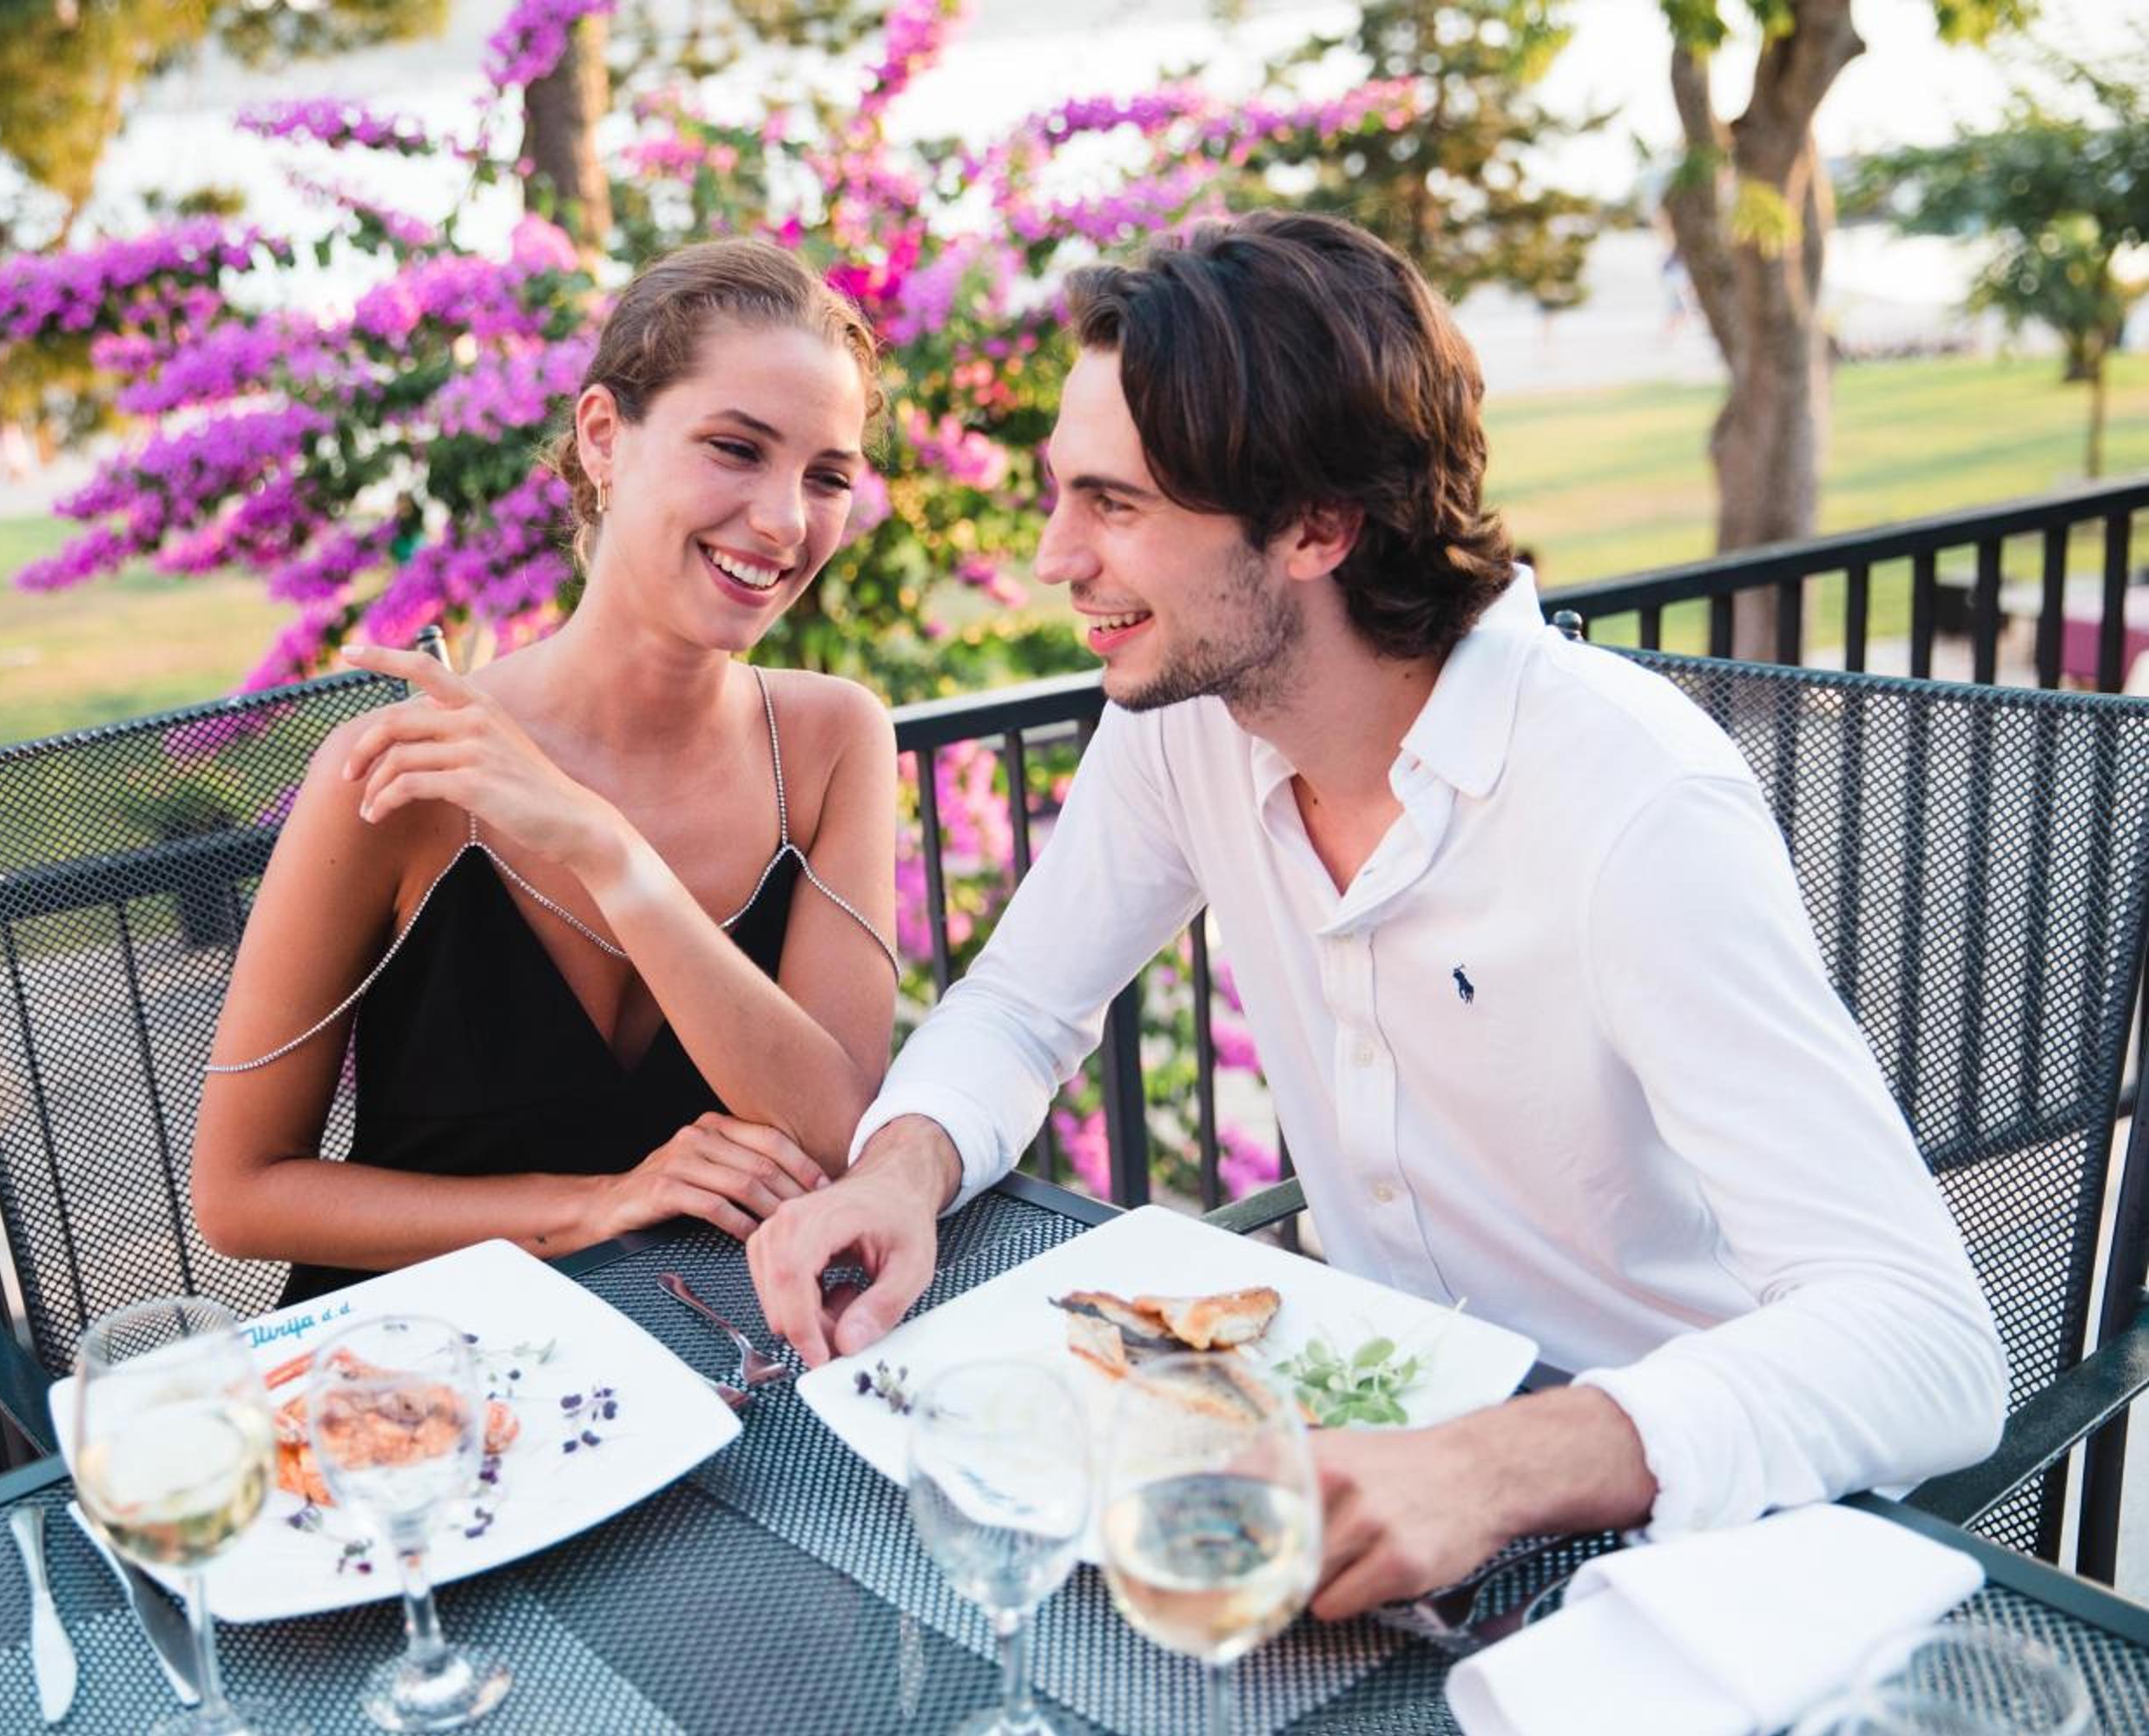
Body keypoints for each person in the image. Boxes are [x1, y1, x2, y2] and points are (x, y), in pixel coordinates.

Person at [745, 211, 2007, 1617]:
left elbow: (1925, 1341)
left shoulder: (1636, 802)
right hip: (1364, 1478)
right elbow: (1025, 1006)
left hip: (1679, 1540)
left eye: (1115, 505)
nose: (1055, 556)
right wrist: (900, 1172)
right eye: (1060, 493)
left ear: (1317, 526)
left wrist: (1492, 1467)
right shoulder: (1187, 726)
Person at [194, 239, 901, 1304]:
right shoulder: (408, 772)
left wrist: (612, 856)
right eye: (736, 448)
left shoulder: (831, 742)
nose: (786, 520)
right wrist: (596, 1205)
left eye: (828, 476)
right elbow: (241, 1194)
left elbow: (840, 1136)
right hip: (414, 1359)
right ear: (604, 435)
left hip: (712, 1347)